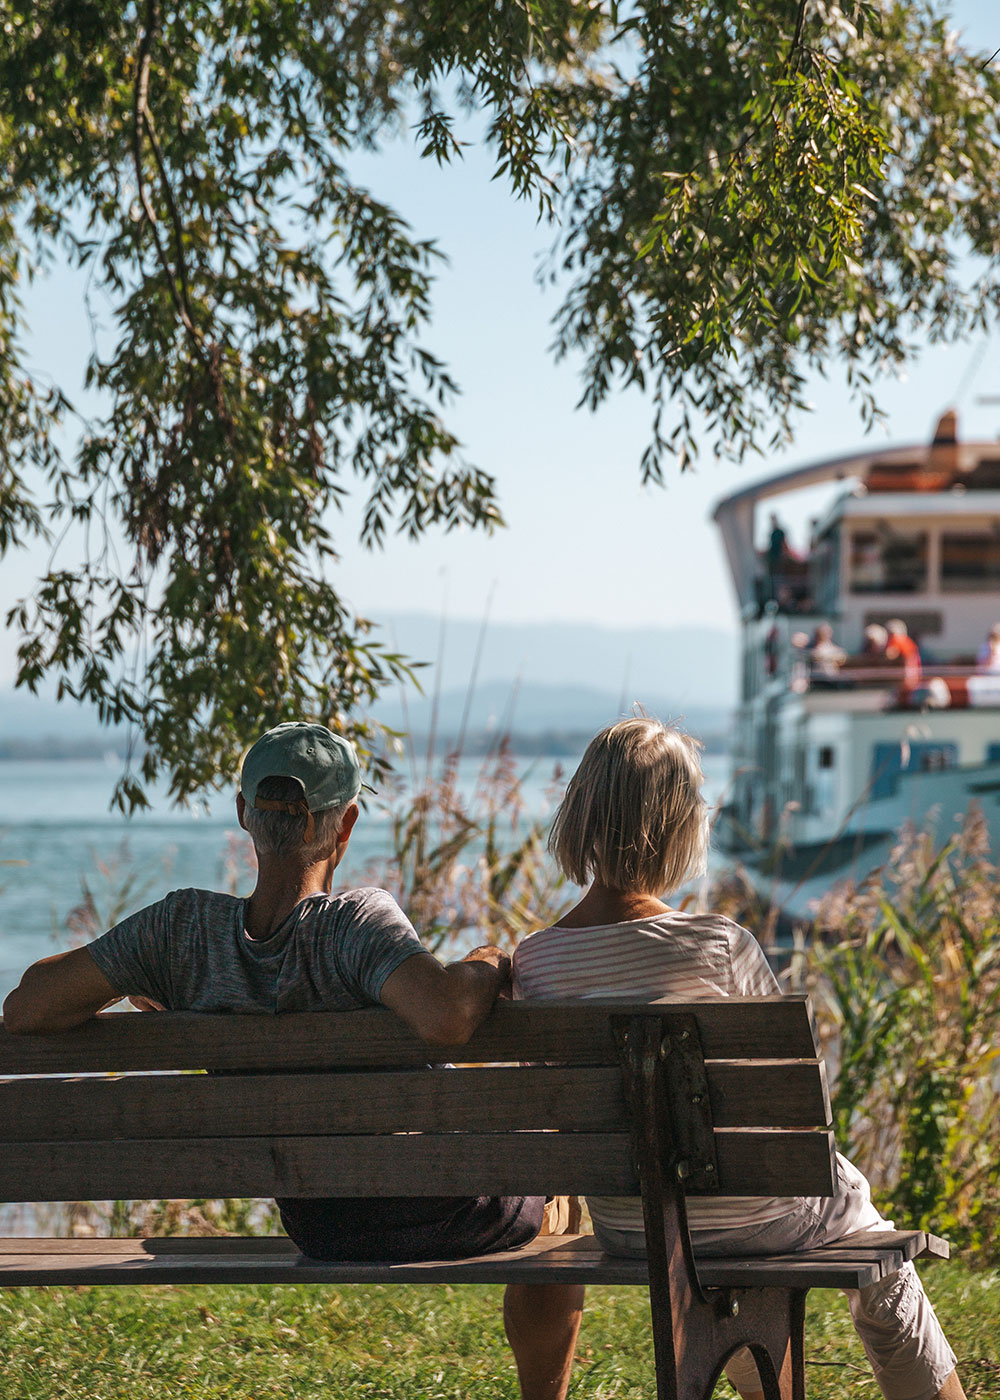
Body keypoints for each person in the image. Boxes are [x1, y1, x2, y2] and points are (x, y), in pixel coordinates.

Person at [504, 718, 966, 1400]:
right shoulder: (721, 945)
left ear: (581, 816)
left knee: (751, 1223)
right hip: (757, 1220)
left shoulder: (536, 961)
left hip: (630, 1227)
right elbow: (792, 1113)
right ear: (681, 826)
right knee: (871, 1232)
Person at [2, 721, 544, 1263]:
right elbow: (445, 1017)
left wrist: (136, 980)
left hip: (323, 1228)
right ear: (346, 824)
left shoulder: (180, 931)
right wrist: (488, 962)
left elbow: (26, 1007)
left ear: (244, 813)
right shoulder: (356, 924)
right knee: (552, 1178)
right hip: (446, 1206)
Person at [885, 618, 922, 685]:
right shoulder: (908, 641)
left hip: (906, 676)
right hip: (914, 675)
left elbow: (890, 655)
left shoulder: (896, 640)